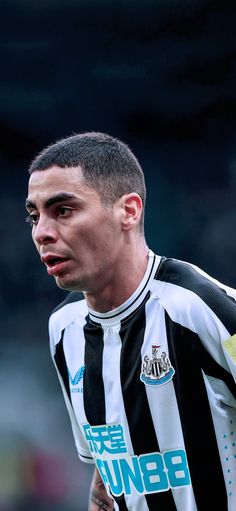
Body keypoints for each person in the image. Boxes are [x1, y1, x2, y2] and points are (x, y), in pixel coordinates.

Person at [25, 132, 236, 511]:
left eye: (63, 210)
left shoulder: (199, 308)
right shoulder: (64, 330)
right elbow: (109, 473)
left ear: (129, 211)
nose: (41, 232)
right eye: (34, 216)